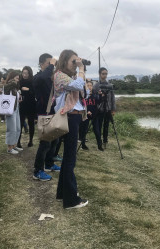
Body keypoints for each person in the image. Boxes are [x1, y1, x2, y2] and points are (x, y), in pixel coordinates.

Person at [54, 49, 88, 209]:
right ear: (65, 61)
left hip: (73, 117)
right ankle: (71, 200)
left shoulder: (69, 77)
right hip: (68, 117)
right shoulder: (59, 75)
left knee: (68, 157)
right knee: (70, 158)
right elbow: (77, 85)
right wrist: (80, 69)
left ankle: (62, 193)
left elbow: (84, 93)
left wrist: (81, 71)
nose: (76, 64)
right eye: (73, 61)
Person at [32, 53, 61, 181]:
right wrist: (52, 65)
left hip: (52, 112)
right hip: (44, 113)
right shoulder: (38, 77)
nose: (51, 66)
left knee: (54, 140)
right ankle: (37, 171)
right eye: (49, 63)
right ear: (42, 63)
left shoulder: (50, 77)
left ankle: (49, 164)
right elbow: (43, 78)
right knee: (45, 143)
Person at [92, 67, 116, 149]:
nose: (104, 75)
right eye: (103, 74)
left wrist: (113, 109)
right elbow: (93, 98)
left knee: (106, 125)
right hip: (99, 109)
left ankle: (105, 140)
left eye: (106, 74)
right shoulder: (96, 86)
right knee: (99, 125)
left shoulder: (110, 85)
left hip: (108, 108)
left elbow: (113, 98)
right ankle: (99, 141)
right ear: (99, 74)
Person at [3, 71, 22, 154]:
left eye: (18, 76)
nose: (18, 77)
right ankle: (9, 148)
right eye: (16, 76)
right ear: (12, 77)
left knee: (18, 128)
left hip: (16, 108)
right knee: (11, 129)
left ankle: (14, 145)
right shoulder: (8, 86)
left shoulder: (14, 87)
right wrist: (13, 81)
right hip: (10, 110)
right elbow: (7, 87)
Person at [79, 79, 102, 150]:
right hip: (86, 114)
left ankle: (99, 145)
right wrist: (87, 111)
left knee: (97, 130)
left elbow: (99, 102)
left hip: (94, 115)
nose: (89, 87)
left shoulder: (95, 95)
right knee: (84, 130)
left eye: (91, 85)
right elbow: (82, 105)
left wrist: (101, 95)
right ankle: (83, 145)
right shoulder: (84, 95)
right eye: (88, 85)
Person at [17, 66, 36, 148]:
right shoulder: (19, 82)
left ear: (29, 73)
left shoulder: (33, 81)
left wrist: (28, 90)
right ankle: (18, 142)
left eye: (26, 73)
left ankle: (31, 140)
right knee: (20, 124)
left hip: (31, 104)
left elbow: (35, 93)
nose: (24, 75)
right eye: (23, 73)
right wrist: (20, 89)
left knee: (31, 123)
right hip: (22, 105)